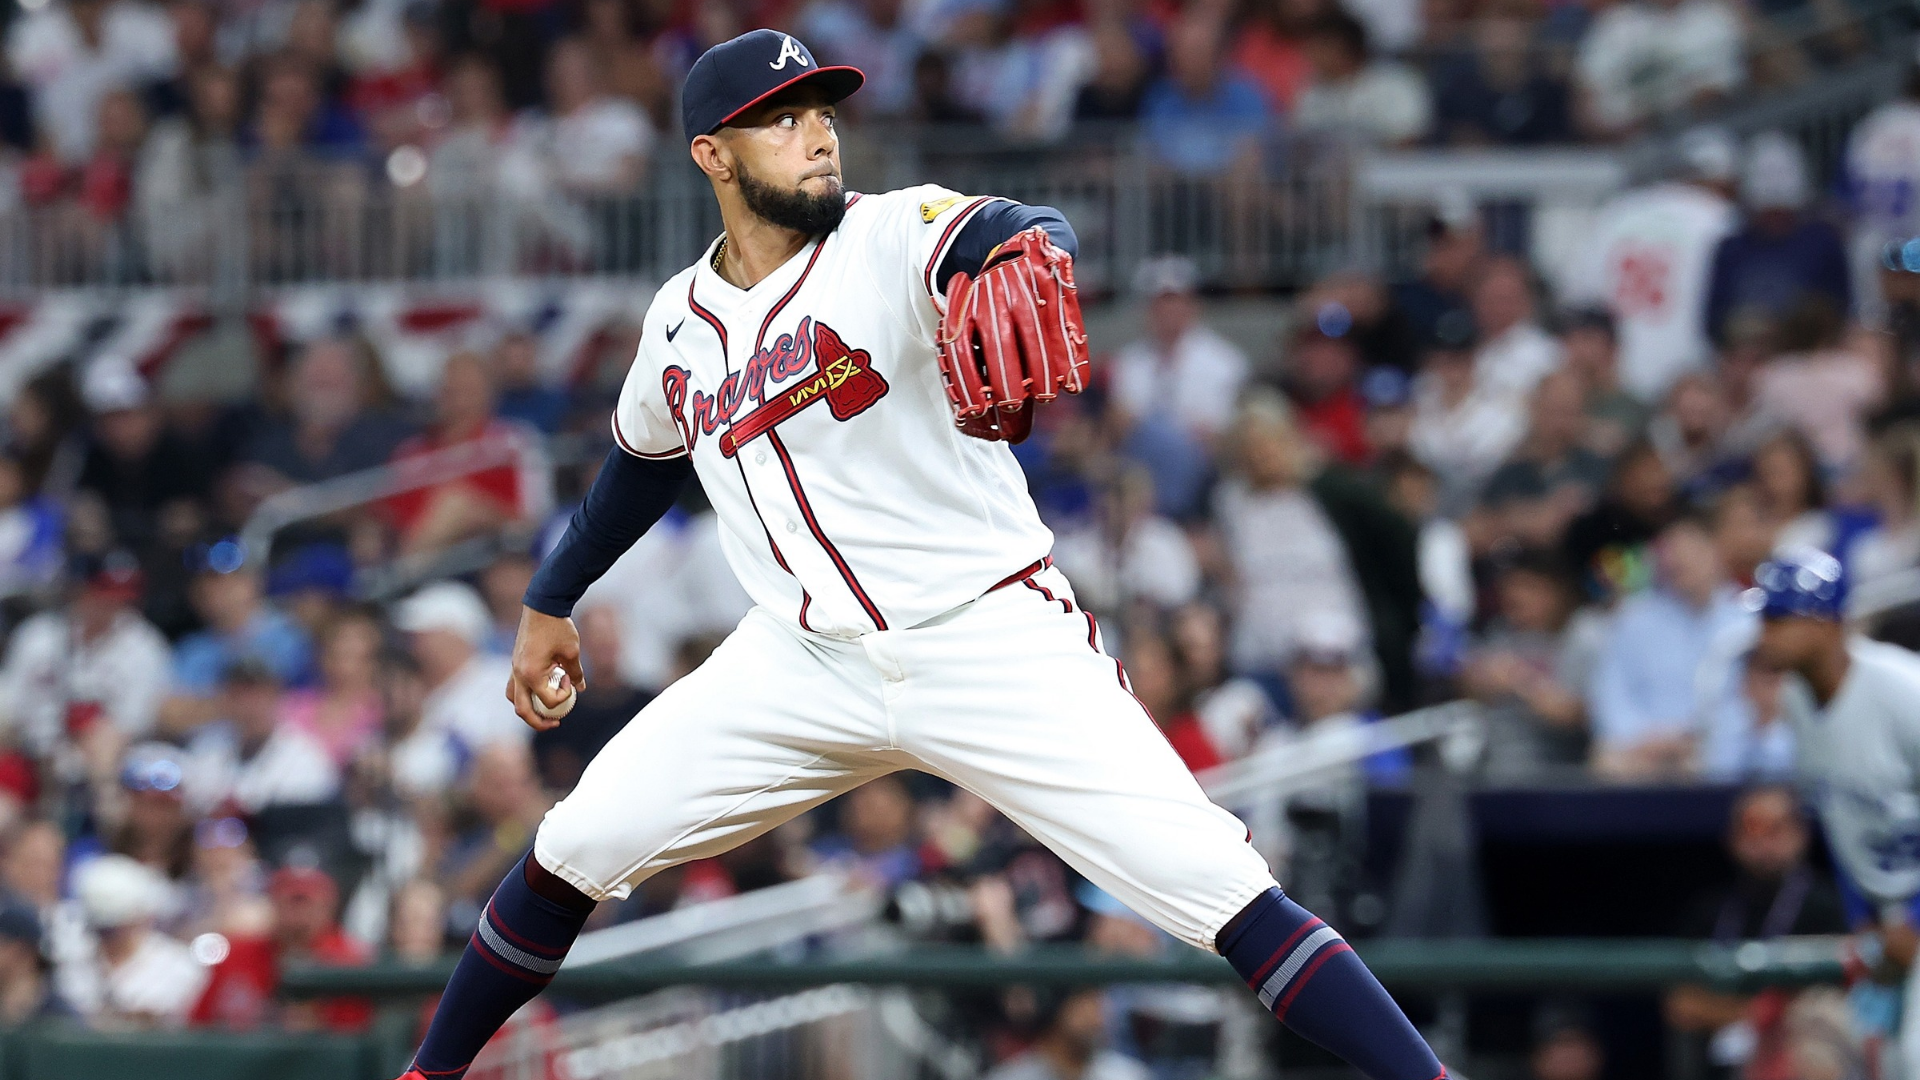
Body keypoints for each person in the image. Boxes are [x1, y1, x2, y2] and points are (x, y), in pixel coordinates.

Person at [394, 29, 1449, 1080]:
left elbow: (1009, 228)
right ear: (712, 155)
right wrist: (549, 598)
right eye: (782, 120)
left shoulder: (893, 233)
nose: (817, 139)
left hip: (985, 634)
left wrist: (1033, 245)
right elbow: (639, 463)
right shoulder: (678, 319)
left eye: (822, 115)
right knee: (573, 844)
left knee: (1220, 887)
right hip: (799, 663)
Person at [1747, 548, 1920, 1075]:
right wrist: (1863, 919)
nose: (1764, 634)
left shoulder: (1903, 688)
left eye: (1777, 618)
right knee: (1890, 1062)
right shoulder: (1798, 701)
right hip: (1893, 911)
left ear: (1823, 621)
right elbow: (1837, 822)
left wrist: (1913, 917)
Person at [1665, 786, 1848, 1075]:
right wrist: (1750, 1014)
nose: (1763, 843)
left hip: (1794, 1052)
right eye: (1752, 830)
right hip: (1725, 1051)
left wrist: (1768, 1014)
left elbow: (1839, 996)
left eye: (1776, 830)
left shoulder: (1829, 906)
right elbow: (1682, 1003)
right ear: (1731, 839)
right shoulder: (1711, 909)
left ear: (1801, 834)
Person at [1564, 128, 1738, 404]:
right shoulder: (1719, 217)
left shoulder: (1617, 211)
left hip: (1615, 380)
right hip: (1689, 384)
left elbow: (1578, 297)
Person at [1587, 514, 1749, 779]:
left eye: (1691, 551)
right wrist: (1649, 740)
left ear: (1716, 552)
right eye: (1672, 552)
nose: (1680, 561)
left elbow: (1749, 700)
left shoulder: (1746, 620)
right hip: (1645, 749)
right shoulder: (1632, 620)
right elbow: (1610, 694)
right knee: (1607, 760)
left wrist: (1696, 738)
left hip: (1718, 747)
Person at [984, 987, 1151, 1080]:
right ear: (1055, 1010)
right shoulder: (1012, 1076)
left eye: (1097, 1005)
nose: (1097, 1019)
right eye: (1084, 1005)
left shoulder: (1128, 1075)